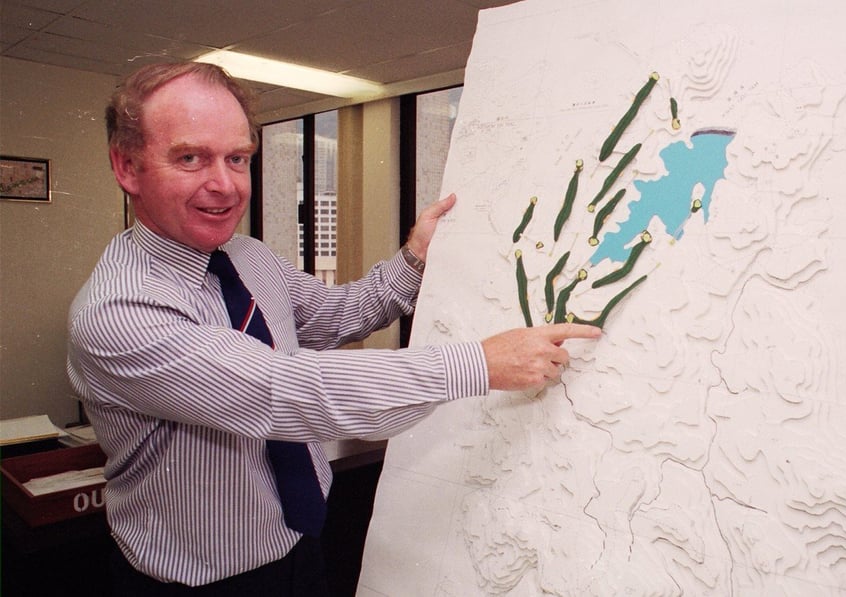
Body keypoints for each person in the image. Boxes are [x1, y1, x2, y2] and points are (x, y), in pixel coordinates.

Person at [66, 61, 601, 595]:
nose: (224, 185)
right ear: (127, 167)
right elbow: (285, 390)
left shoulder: (248, 257)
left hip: (304, 542)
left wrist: (415, 255)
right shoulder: (118, 312)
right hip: (203, 583)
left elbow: (338, 314)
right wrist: (479, 365)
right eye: (190, 158)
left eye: (237, 159)